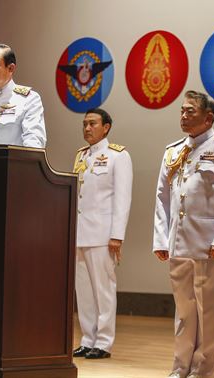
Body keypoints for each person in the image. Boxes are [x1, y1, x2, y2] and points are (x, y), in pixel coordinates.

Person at [153, 90, 214, 378]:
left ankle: (202, 371)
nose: (183, 115)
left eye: (190, 111)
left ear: (209, 117)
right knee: (183, 313)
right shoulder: (172, 151)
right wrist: (161, 238)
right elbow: (162, 198)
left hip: (209, 245)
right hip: (178, 243)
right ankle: (180, 368)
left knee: (208, 314)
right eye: (182, 110)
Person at [72, 108, 132, 360]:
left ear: (106, 127)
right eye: (85, 124)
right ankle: (88, 338)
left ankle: (104, 342)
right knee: (83, 291)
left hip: (103, 234)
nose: (87, 128)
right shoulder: (80, 155)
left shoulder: (119, 156)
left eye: (92, 123)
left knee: (103, 290)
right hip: (79, 233)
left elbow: (122, 198)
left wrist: (117, 235)